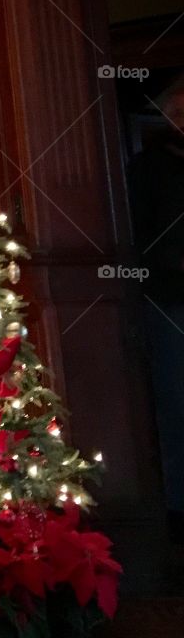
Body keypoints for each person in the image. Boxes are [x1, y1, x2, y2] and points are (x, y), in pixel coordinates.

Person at [129, 74, 184, 541]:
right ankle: (177, 507)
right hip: (169, 296)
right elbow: (140, 238)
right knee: (174, 399)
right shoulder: (148, 168)